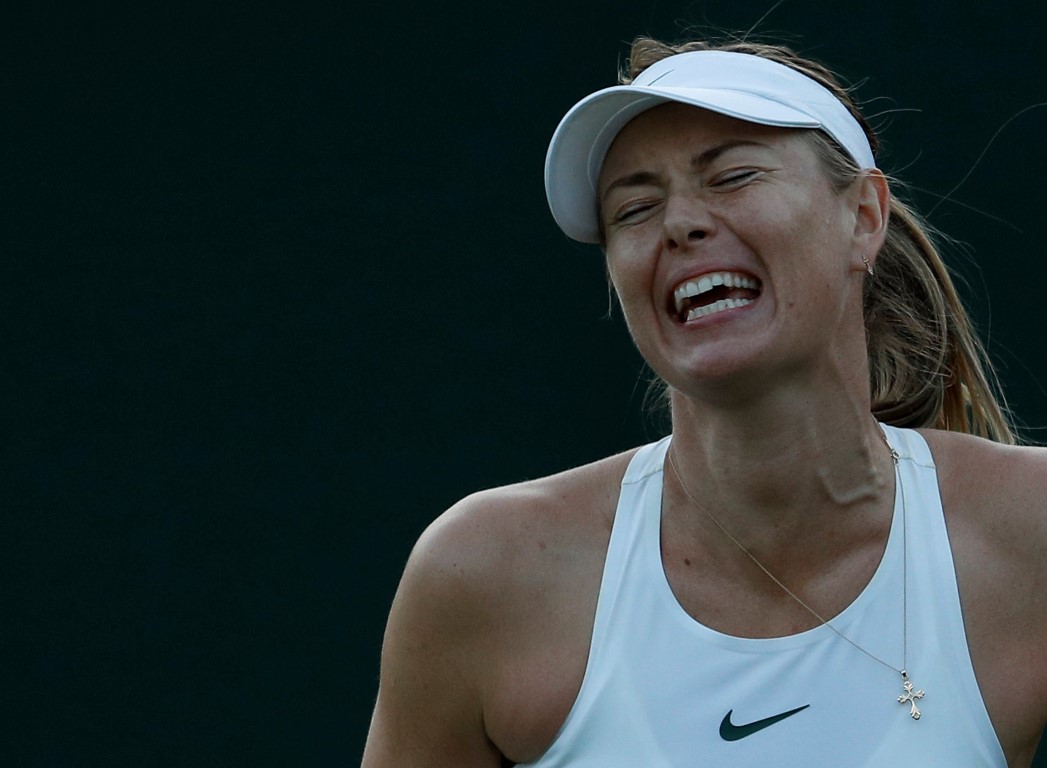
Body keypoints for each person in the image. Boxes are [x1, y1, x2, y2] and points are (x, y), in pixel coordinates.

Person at [361, 35, 1047, 767]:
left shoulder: (1029, 531)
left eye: (732, 176)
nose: (678, 223)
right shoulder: (483, 572)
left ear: (863, 216)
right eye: (633, 209)